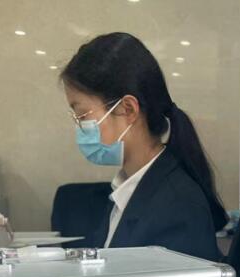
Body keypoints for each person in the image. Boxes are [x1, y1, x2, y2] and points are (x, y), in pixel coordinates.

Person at [62, 32, 227, 261]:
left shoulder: (176, 206)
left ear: (128, 109)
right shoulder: (130, 187)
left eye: (82, 115)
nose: (80, 127)